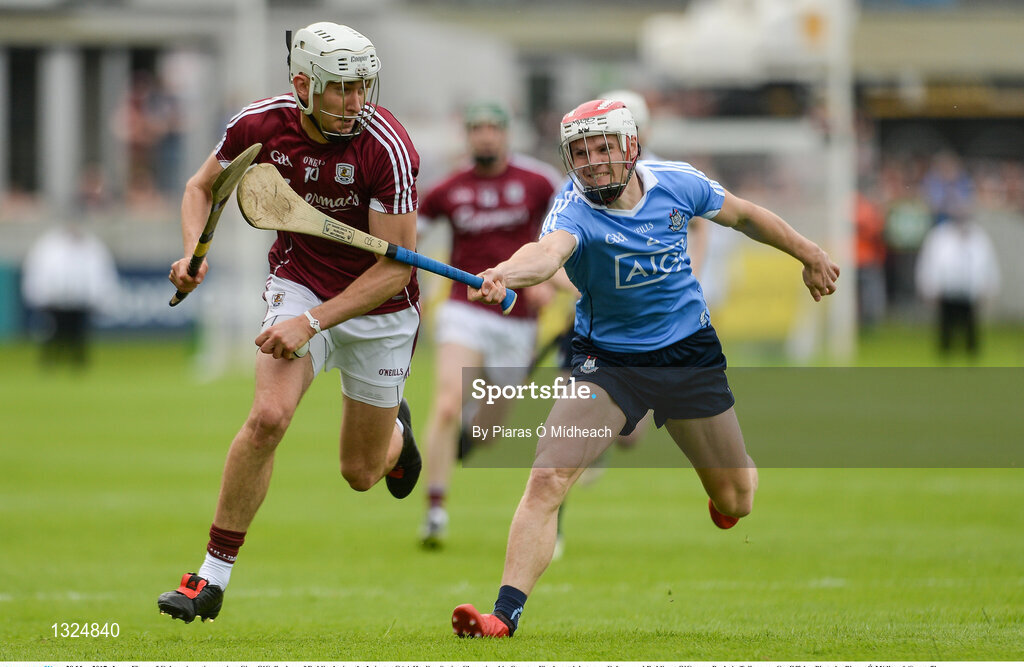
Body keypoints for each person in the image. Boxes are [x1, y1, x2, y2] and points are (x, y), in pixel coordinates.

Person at [450, 99, 839, 638]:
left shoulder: (676, 183)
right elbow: (544, 255)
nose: (592, 161)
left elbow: (746, 215)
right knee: (547, 478)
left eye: (603, 147)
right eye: (580, 152)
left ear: (631, 146)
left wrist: (809, 253)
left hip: (687, 356)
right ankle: (503, 616)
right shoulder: (572, 210)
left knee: (737, 498)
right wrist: (504, 274)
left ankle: (726, 494)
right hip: (606, 365)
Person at [159, 21, 422, 624]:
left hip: (378, 309)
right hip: (298, 280)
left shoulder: (388, 148)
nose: (356, 102)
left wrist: (314, 322)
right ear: (304, 84)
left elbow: (392, 272)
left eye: (363, 87)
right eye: (340, 88)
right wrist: (191, 249)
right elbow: (203, 187)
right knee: (268, 417)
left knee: (360, 474)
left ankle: (398, 442)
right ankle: (211, 577)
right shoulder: (259, 125)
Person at [417, 101, 562, 548]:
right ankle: (435, 510)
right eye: (476, 128)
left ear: (506, 133)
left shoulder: (539, 183)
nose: (484, 136)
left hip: (518, 319)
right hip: (465, 307)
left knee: (489, 432)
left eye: (492, 128)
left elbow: (564, 239)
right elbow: (408, 240)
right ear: (467, 135)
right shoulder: (446, 190)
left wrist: (551, 287)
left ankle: (467, 435)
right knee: (446, 403)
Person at [21, 221, 119, 369]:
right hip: (55, 301)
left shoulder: (91, 247)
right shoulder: (50, 246)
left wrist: (97, 298)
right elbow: (38, 272)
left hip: (79, 302)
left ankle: (76, 361)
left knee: (77, 333)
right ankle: (52, 359)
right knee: (55, 332)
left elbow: (100, 274)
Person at [915, 208, 999, 358]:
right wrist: (929, 287)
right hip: (948, 288)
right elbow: (930, 262)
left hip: (970, 289)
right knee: (946, 324)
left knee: (970, 324)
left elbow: (988, 264)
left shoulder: (979, 237)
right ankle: (945, 353)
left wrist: (989, 287)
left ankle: (971, 353)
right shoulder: (939, 236)